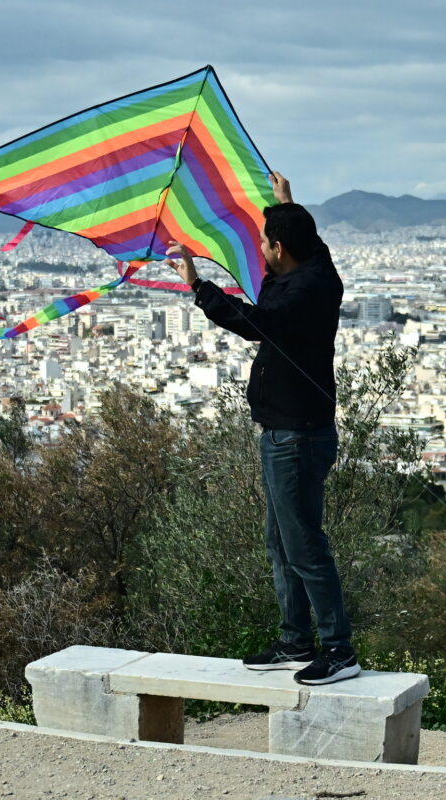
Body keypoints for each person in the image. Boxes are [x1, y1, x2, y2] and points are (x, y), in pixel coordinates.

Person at [164, 173, 359, 685]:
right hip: (284, 431)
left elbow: (252, 322)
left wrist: (195, 282)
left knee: (304, 546)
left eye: (264, 244)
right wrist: (284, 205)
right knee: (280, 541)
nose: (260, 251)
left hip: (296, 435)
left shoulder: (297, 298)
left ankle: (338, 649)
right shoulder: (317, 271)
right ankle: (296, 641)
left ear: (279, 249)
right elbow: (309, 248)